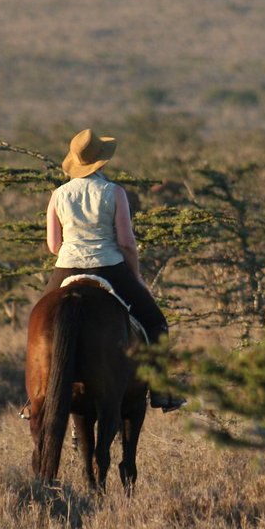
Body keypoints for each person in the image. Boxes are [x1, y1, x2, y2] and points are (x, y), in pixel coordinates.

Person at [44, 129, 184, 412]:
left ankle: (38, 396)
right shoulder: (114, 192)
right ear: (102, 161)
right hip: (108, 266)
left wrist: (75, 253)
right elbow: (126, 243)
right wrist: (136, 276)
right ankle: (161, 390)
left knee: (42, 324)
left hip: (66, 266)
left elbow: (53, 245)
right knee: (156, 323)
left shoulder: (58, 194)